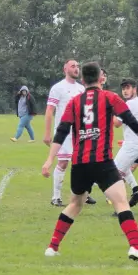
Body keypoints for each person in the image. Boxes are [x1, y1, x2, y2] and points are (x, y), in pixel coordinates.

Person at [41, 62, 138, 264]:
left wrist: (50, 159)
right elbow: (129, 119)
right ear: (101, 78)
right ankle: (136, 247)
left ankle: (52, 247)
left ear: (83, 80)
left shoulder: (75, 101)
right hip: (102, 160)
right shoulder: (110, 97)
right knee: (121, 202)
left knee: (75, 204)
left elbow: (61, 131)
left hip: (79, 163)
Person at [43, 60, 95, 207]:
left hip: (80, 132)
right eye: (73, 66)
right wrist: (47, 134)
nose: (76, 68)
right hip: (64, 132)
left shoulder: (81, 88)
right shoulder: (58, 88)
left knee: (84, 163)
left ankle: (84, 194)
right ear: (65, 69)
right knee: (63, 162)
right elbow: (49, 111)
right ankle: (56, 197)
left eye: (78, 66)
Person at [112, 78, 138, 208]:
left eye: (128, 88)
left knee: (114, 176)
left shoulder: (129, 104)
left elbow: (117, 124)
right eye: (123, 88)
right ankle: (136, 190)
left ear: (134, 89)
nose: (125, 91)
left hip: (132, 145)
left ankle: (122, 206)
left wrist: (108, 111)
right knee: (122, 169)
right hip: (137, 144)